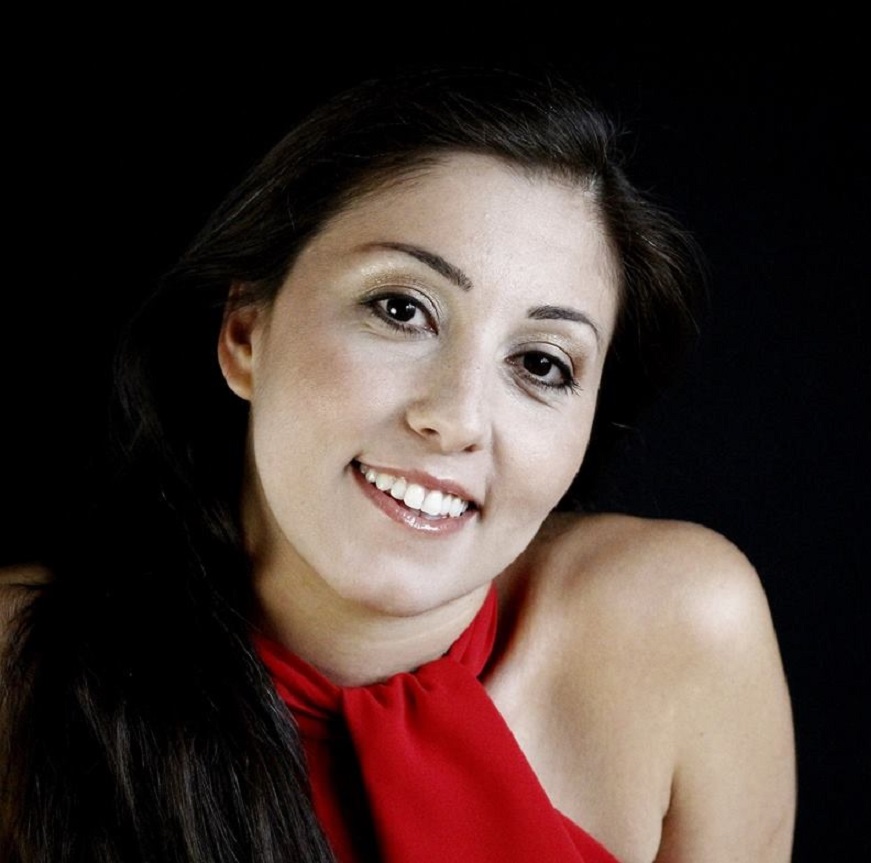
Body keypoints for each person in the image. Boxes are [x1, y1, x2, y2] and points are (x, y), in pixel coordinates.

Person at [0, 66, 796, 862]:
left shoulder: (685, 630)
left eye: (541, 364)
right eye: (402, 309)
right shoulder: (22, 665)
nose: (456, 419)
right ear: (245, 332)